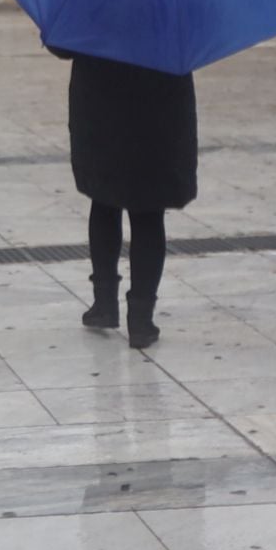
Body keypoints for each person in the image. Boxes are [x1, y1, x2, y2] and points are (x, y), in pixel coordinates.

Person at [55, 50, 198, 351]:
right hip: (160, 101)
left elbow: (62, 46)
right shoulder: (173, 2)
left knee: (104, 200)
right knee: (149, 211)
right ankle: (141, 321)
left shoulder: (93, 0)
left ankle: (105, 304)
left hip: (100, 99)